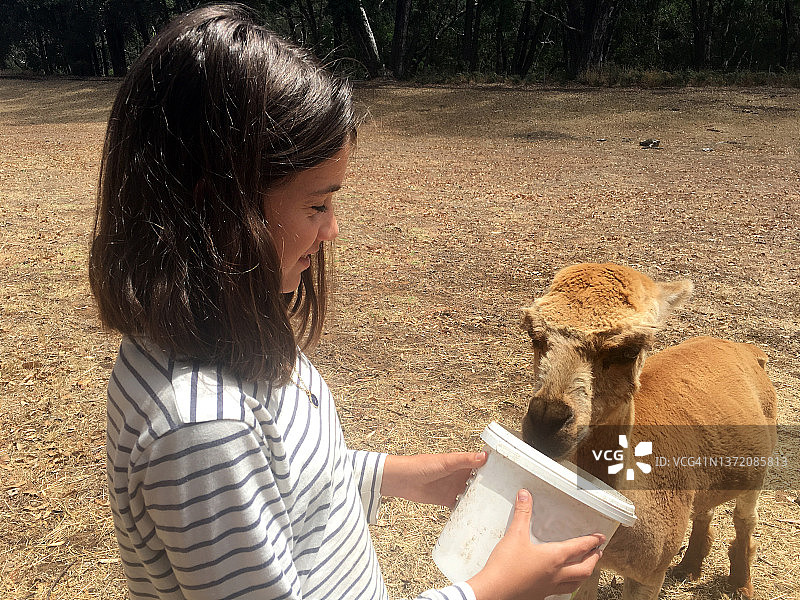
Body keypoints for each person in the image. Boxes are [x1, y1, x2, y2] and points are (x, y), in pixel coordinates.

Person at [89, 5, 605, 600]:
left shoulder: (219, 333)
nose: (331, 230)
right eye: (316, 206)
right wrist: (491, 591)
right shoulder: (205, 428)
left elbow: (289, 487)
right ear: (217, 213)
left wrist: (399, 475)